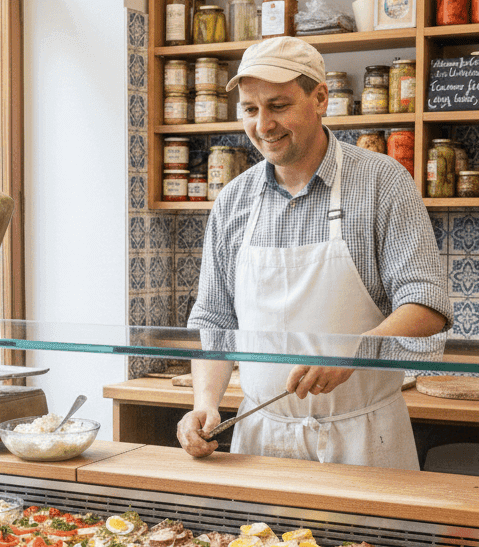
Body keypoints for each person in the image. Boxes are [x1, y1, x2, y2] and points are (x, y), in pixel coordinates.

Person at [177, 37, 451, 470]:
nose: (263, 125)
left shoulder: (382, 181)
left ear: (320, 97)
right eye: (250, 109)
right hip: (260, 440)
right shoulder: (233, 200)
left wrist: (353, 349)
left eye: (278, 105)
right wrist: (205, 403)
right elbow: (215, 320)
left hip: (363, 442)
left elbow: (428, 305)